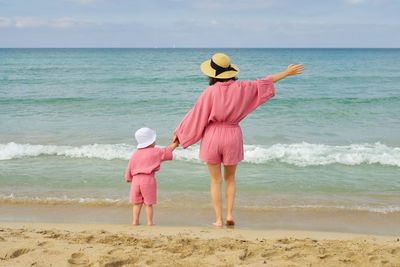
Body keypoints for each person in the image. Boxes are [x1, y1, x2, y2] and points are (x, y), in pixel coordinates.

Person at [173, 53, 304, 227]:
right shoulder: (243, 87)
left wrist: (178, 135)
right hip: (232, 135)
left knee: (215, 180)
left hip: (213, 136)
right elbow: (266, 81)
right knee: (230, 179)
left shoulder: (209, 91)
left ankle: (218, 220)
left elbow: (196, 115)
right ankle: (228, 215)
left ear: (212, 74)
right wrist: (286, 73)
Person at [125, 127, 179, 226]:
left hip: (136, 181)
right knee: (148, 203)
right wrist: (175, 143)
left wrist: (128, 177)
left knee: (136, 203)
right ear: (151, 142)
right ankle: (150, 222)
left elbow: (130, 166)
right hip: (148, 180)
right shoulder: (155, 152)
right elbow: (167, 151)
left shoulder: (135, 154)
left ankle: (135, 221)